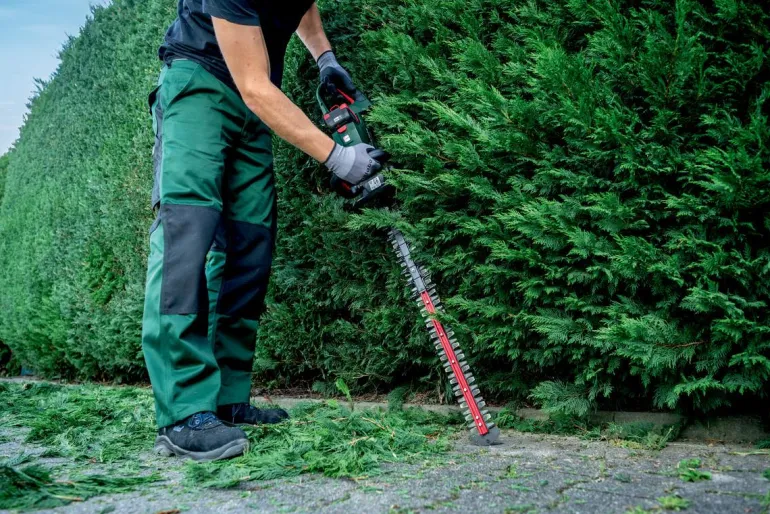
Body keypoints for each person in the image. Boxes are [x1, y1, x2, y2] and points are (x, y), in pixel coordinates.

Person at [142, 0, 384, 462]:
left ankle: (227, 399)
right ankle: (182, 413)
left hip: (255, 105)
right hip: (199, 81)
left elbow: (302, 8)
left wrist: (326, 58)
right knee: (185, 236)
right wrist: (339, 157)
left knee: (250, 245)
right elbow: (253, 84)